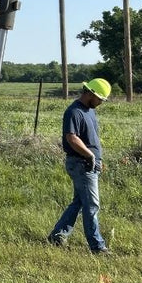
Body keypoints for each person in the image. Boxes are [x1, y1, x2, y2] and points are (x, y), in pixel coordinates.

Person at [48, 78, 112, 254]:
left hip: (90, 163)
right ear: (90, 93)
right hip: (81, 164)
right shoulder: (74, 112)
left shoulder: (89, 111)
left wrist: (97, 159)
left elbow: (90, 139)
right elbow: (72, 137)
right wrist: (90, 155)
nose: (100, 103)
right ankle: (97, 246)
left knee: (79, 203)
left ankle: (57, 236)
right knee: (92, 205)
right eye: (100, 99)